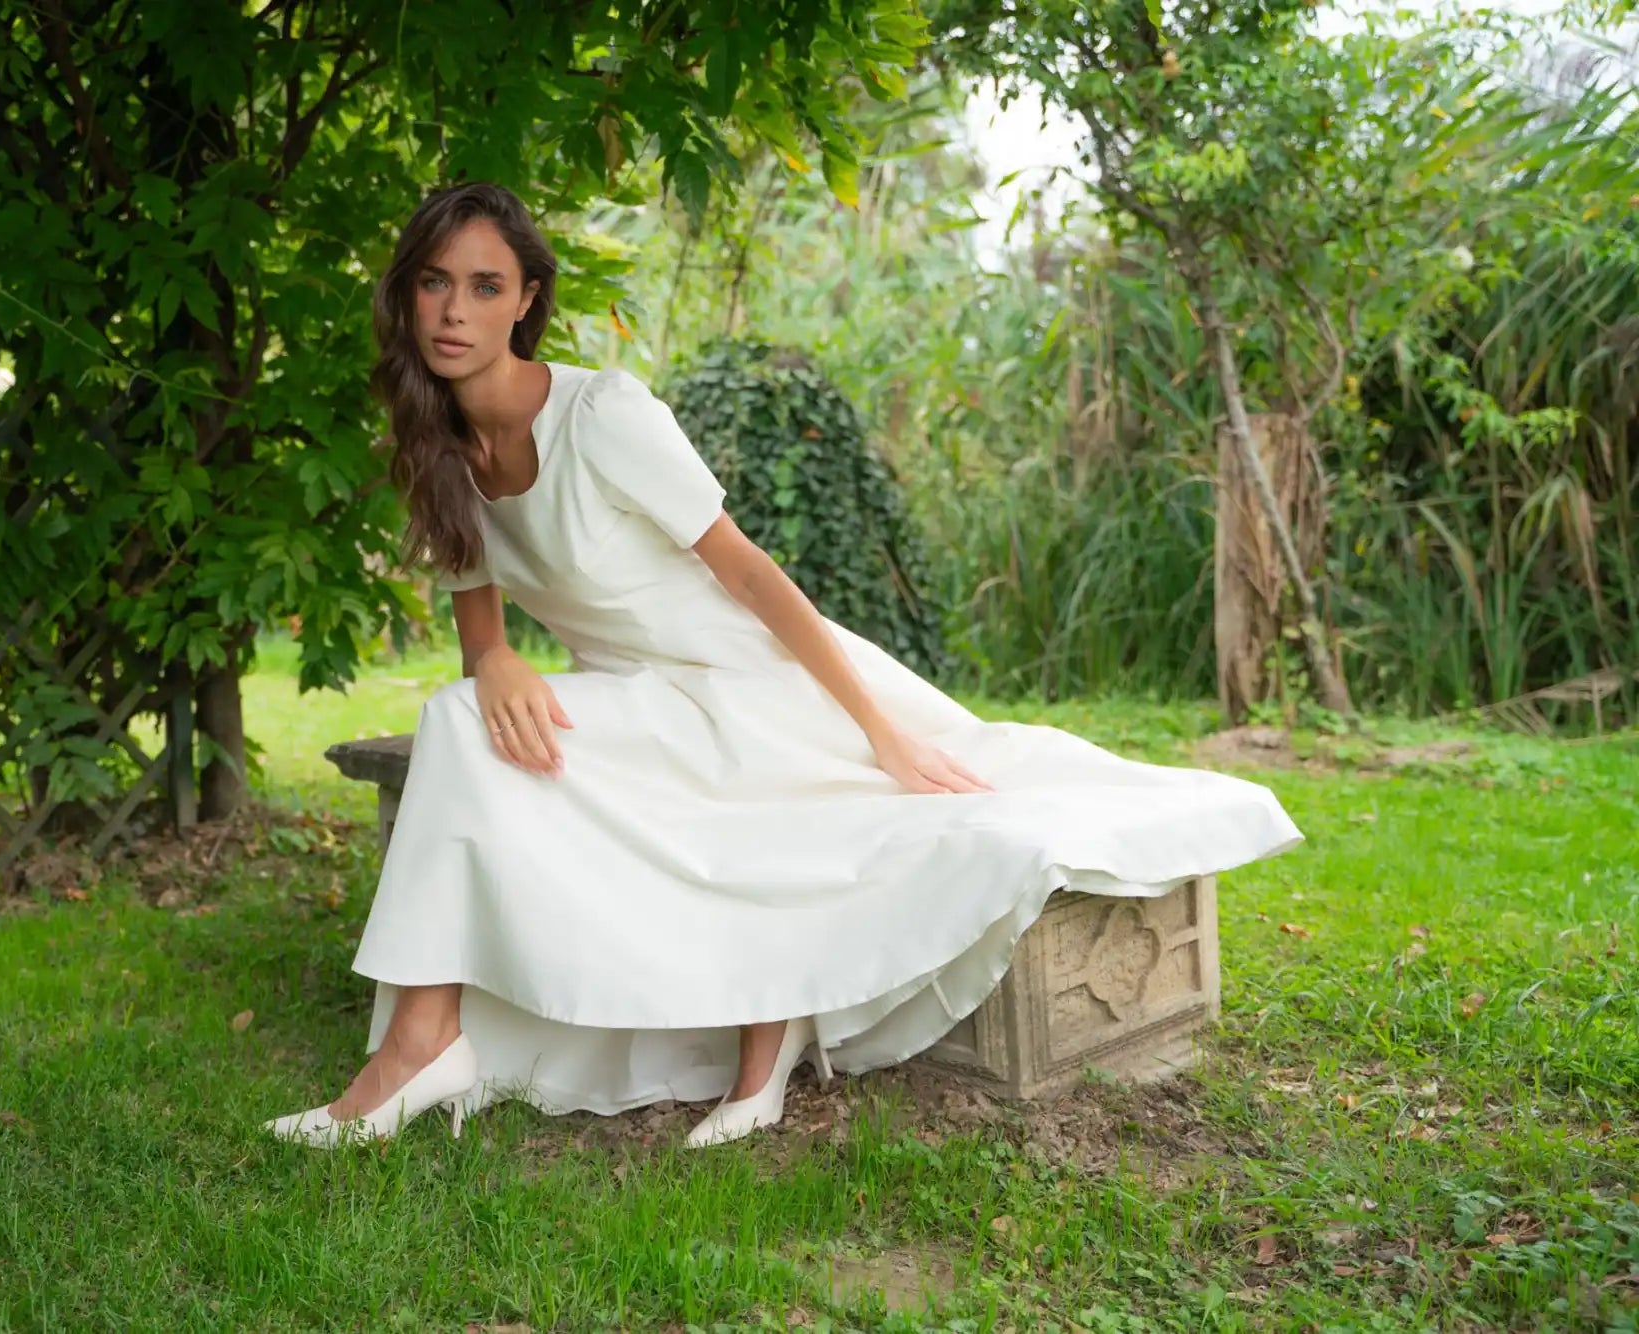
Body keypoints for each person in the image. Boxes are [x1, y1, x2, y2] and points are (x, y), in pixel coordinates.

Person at [264, 182, 1301, 1149]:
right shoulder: (431, 437)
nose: (453, 309)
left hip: (742, 680)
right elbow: (477, 614)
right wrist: (489, 661)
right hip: (634, 693)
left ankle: (425, 1045)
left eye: (484, 285)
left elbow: (752, 576)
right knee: (466, 714)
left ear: (526, 299)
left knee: (463, 725)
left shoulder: (601, 414)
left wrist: (880, 730)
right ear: (405, 297)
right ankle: (430, 1044)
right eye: (433, 283)